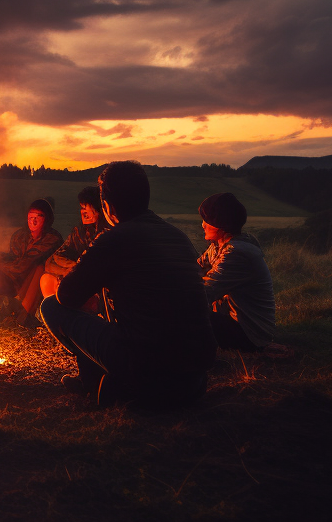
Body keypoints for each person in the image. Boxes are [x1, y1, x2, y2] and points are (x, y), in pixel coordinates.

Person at [38, 161, 216, 408]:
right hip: (195, 376)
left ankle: (97, 380)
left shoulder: (113, 238)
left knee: (51, 307)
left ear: (107, 205)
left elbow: (67, 296)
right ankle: (111, 381)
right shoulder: (178, 236)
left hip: (145, 365)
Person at [197, 192, 276, 351]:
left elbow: (205, 291)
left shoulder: (237, 253)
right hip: (234, 322)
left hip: (249, 332)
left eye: (207, 221)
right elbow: (195, 270)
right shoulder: (219, 246)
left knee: (188, 316)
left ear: (221, 224)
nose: (203, 225)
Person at [0, 198, 62, 325]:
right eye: (30, 217)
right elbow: (13, 258)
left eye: (38, 217)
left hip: (36, 284)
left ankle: (24, 315)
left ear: (46, 219)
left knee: (40, 268)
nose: (33, 221)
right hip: (16, 281)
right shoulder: (20, 236)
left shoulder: (52, 239)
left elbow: (24, 265)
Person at [39, 186, 108, 309]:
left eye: (87, 207)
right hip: (76, 276)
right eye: (81, 207)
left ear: (99, 209)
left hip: (95, 287)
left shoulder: (107, 233)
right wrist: (70, 270)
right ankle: (58, 316)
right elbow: (53, 259)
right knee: (46, 279)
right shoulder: (79, 233)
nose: (83, 211)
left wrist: (76, 273)